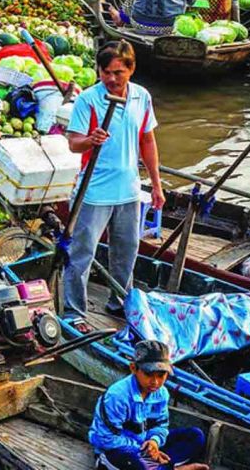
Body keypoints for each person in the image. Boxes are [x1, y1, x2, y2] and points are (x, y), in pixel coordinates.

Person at [63, 39, 163, 316]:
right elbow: (73, 143)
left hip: (129, 191)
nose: (111, 78)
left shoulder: (142, 97)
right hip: (93, 193)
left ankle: (118, 303)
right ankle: (74, 312)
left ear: (131, 70)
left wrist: (156, 185)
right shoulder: (88, 100)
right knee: (81, 255)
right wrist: (90, 140)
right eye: (105, 72)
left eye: (118, 72)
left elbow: (147, 141)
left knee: (126, 254)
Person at [91, 341, 210, 470]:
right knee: (133, 463)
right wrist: (144, 450)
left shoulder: (162, 393)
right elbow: (105, 439)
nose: (155, 382)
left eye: (161, 375)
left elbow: (160, 425)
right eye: (148, 374)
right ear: (133, 368)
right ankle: (169, 468)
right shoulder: (117, 396)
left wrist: (154, 442)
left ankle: (160, 466)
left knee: (195, 436)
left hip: (145, 445)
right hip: (117, 450)